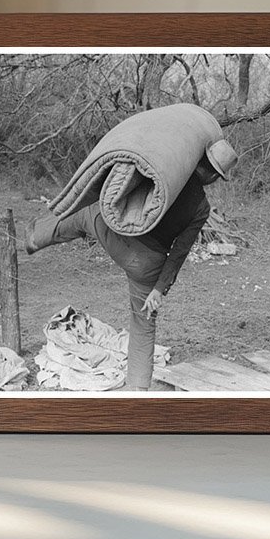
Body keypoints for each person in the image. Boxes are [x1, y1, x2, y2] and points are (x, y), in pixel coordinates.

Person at [25, 138, 239, 391]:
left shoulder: (165, 171)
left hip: (118, 237)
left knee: (84, 214)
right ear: (214, 177)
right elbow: (179, 252)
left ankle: (35, 238)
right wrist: (159, 289)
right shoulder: (202, 208)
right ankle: (138, 389)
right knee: (144, 322)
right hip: (149, 264)